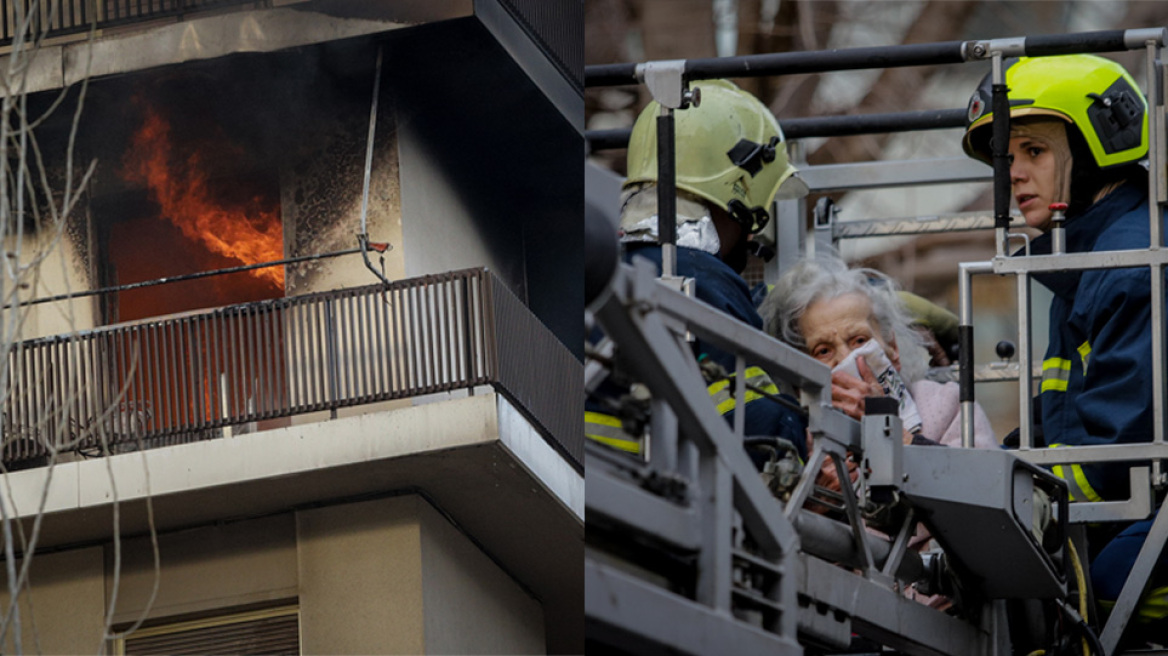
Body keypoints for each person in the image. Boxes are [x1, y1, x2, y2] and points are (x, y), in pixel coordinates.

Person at [962, 53, 1167, 635]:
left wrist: (1007, 498)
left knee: (1087, 592)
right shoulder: (1088, 263)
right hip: (1136, 514)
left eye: (1035, 151)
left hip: (1144, 518)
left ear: (1102, 146)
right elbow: (1060, 427)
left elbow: (1116, 457)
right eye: (1006, 158)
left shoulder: (1131, 265)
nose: (1013, 175)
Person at [585, 79, 810, 463]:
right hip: (653, 502)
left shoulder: (603, 266)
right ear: (742, 189)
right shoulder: (701, 278)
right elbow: (760, 427)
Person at [760, 254, 997, 450]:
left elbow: (985, 488)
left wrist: (888, 430)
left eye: (859, 340)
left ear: (892, 348)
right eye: (823, 351)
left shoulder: (947, 404)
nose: (845, 359)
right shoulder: (793, 436)